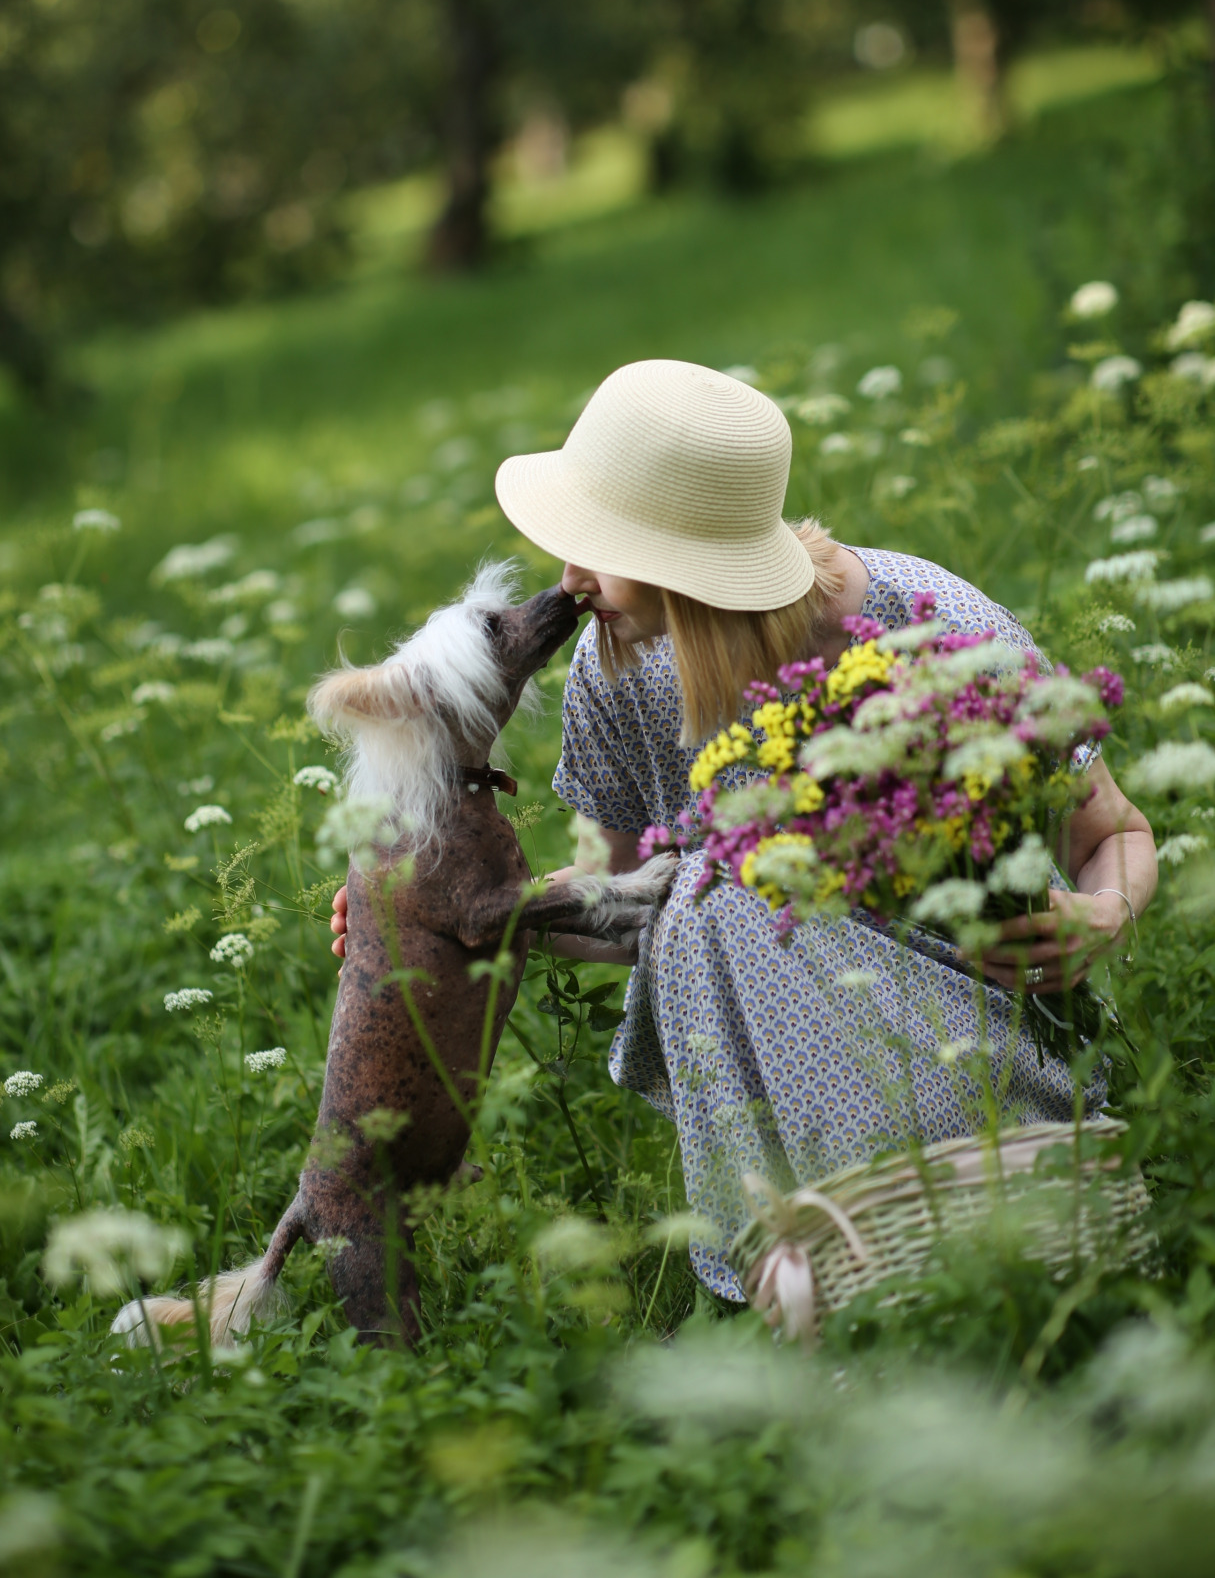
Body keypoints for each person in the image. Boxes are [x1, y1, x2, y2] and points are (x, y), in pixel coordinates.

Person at [332, 359, 1157, 1302]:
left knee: (717, 885)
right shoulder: (615, 673)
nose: (568, 582)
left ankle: (913, 1230)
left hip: (981, 1040)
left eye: (597, 547)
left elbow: (1114, 832)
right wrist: (427, 922)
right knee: (707, 890)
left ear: (683, 558)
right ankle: (837, 1255)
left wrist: (1103, 915)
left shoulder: (921, 622)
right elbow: (616, 912)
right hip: (788, 1080)